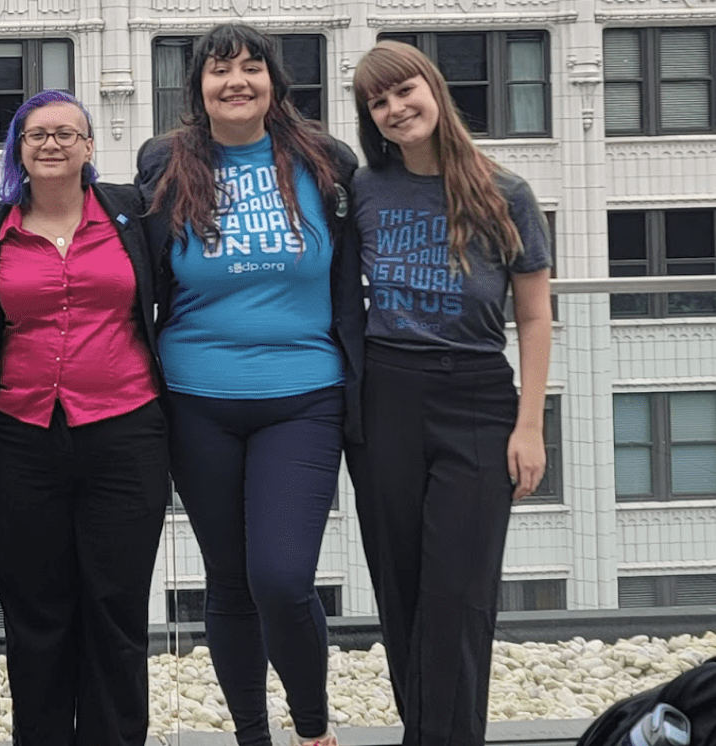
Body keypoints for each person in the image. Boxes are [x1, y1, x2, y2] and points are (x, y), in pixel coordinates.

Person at [135, 23, 364, 746]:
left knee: (281, 577)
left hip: (303, 398)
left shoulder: (326, 161)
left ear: (274, 82)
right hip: (195, 400)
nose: (236, 81)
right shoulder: (165, 164)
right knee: (229, 582)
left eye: (251, 68)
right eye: (219, 70)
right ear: (198, 88)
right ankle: (252, 737)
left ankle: (313, 729)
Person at [347, 41, 551, 746]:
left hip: (477, 399)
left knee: (459, 594)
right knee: (401, 588)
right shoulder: (365, 189)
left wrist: (530, 426)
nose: (395, 109)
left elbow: (534, 316)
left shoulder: (506, 192)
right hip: (386, 396)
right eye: (378, 102)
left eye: (404, 91)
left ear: (433, 88)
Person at [0, 89, 169, 746]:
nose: (51, 143)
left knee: (116, 607)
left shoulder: (132, 214)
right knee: (36, 611)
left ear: (88, 146)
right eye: (36, 134)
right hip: (23, 435)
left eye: (66, 133)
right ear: (18, 149)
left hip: (126, 430)